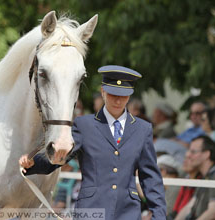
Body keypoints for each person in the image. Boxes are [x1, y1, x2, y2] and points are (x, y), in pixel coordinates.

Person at [19, 65, 166, 220]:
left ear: (130, 96)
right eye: (112, 94)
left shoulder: (142, 129)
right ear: (103, 92)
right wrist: (32, 163)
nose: (117, 100)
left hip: (127, 212)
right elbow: (59, 158)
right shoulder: (84, 125)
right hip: (91, 211)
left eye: (123, 96)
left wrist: (159, 215)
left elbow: (150, 177)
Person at [175, 135, 215, 219]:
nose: (187, 154)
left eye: (193, 152)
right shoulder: (205, 177)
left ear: (207, 154)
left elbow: (213, 211)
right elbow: (188, 207)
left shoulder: (213, 176)